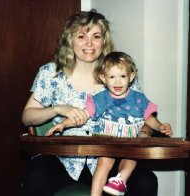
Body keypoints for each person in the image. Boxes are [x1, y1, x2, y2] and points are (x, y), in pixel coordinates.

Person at [21, 9, 158, 196]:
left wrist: (144, 133)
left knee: (146, 181)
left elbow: (145, 116)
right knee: (35, 176)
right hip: (61, 158)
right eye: (81, 36)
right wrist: (57, 109)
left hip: (110, 156)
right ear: (70, 40)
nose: (89, 44)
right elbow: (27, 117)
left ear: (104, 41)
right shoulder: (50, 73)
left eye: (96, 36)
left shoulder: (121, 73)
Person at [45, 51, 172, 196]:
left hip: (131, 142)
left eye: (122, 76)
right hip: (107, 141)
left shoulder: (138, 98)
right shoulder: (101, 98)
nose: (117, 82)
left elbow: (149, 118)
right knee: (103, 165)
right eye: (112, 77)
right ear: (103, 78)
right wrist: (64, 124)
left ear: (131, 77)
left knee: (131, 159)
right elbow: (83, 115)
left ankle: (120, 180)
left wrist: (160, 126)